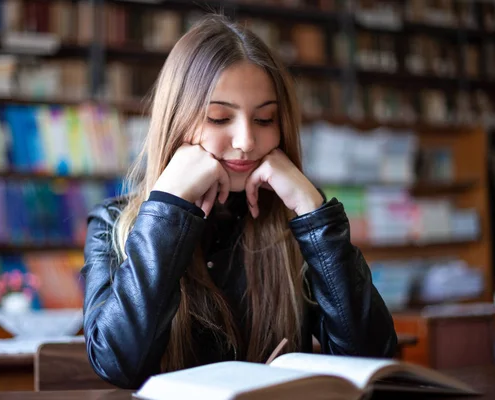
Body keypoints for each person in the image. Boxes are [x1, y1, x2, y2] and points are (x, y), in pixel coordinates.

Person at [81, 14, 397, 390]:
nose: (246, 140)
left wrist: (313, 212)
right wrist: (167, 206)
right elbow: (118, 365)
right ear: (177, 122)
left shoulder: (296, 226)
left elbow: (372, 360)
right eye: (219, 118)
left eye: (265, 119)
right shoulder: (114, 223)